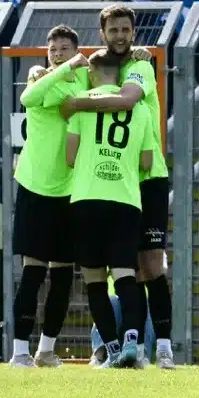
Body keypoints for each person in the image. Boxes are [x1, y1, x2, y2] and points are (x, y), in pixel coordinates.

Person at [60, 4, 177, 368]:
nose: (120, 36)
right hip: (117, 183)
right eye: (114, 30)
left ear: (134, 31)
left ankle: (164, 348)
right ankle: (126, 347)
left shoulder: (141, 66)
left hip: (147, 179)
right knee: (123, 271)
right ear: (102, 33)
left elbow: (127, 99)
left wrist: (78, 103)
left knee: (150, 267)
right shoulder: (98, 67)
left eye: (125, 29)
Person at [65, 49, 156, 369]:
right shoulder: (141, 109)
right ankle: (134, 341)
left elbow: (70, 157)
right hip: (125, 201)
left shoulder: (81, 103)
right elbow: (147, 161)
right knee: (126, 278)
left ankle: (112, 349)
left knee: (94, 283)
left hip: (87, 199)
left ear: (92, 72)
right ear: (119, 75)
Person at [7, 25, 81, 368]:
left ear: (76, 50)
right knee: (33, 272)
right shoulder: (40, 81)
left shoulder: (81, 82)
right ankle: (20, 351)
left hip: (69, 189)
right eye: (53, 50)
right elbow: (29, 99)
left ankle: (47, 350)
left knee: (63, 274)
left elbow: (76, 102)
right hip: (35, 187)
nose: (58, 54)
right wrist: (60, 71)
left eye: (64, 48)